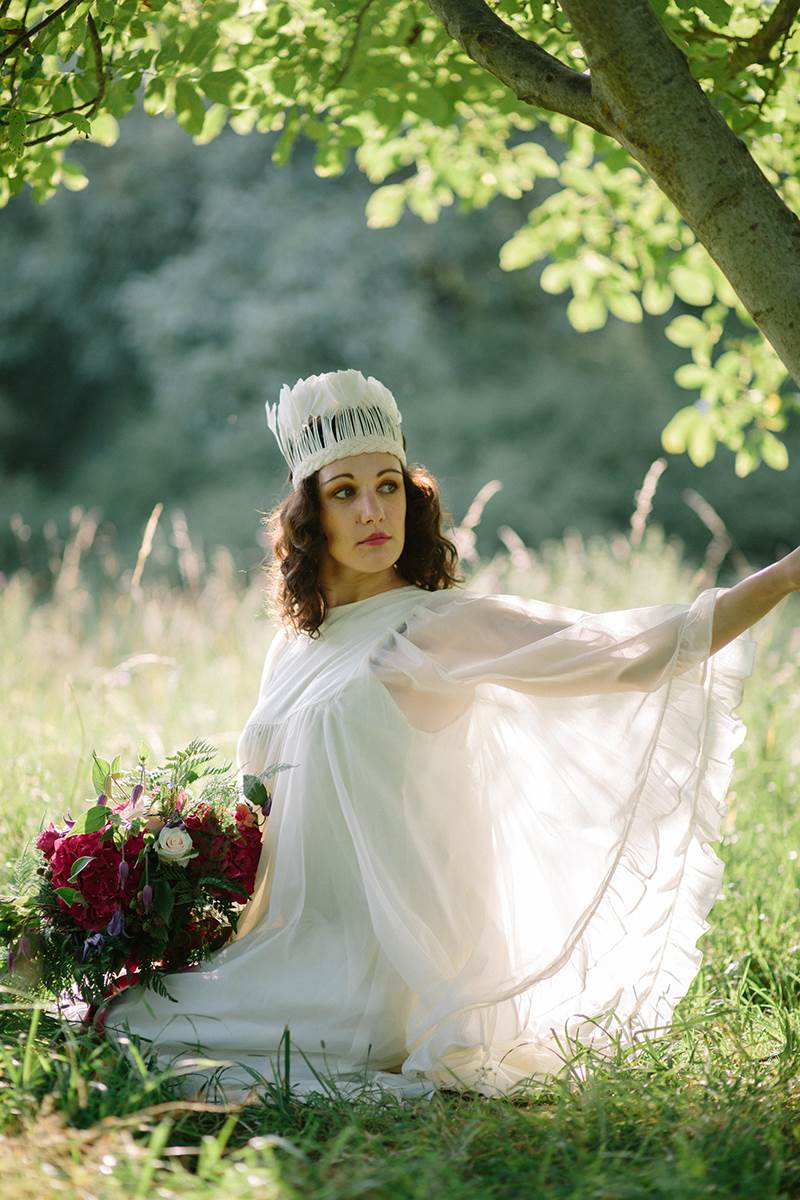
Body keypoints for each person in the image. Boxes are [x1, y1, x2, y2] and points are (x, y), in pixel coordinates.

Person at [99, 368, 799, 1105]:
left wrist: (783, 577)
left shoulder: (435, 626)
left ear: (413, 496)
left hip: (381, 983)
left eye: (389, 486)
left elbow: (632, 655)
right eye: (345, 492)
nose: (373, 510)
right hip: (290, 947)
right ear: (310, 516)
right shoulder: (297, 645)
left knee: (135, 1028)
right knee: (120, 1009)